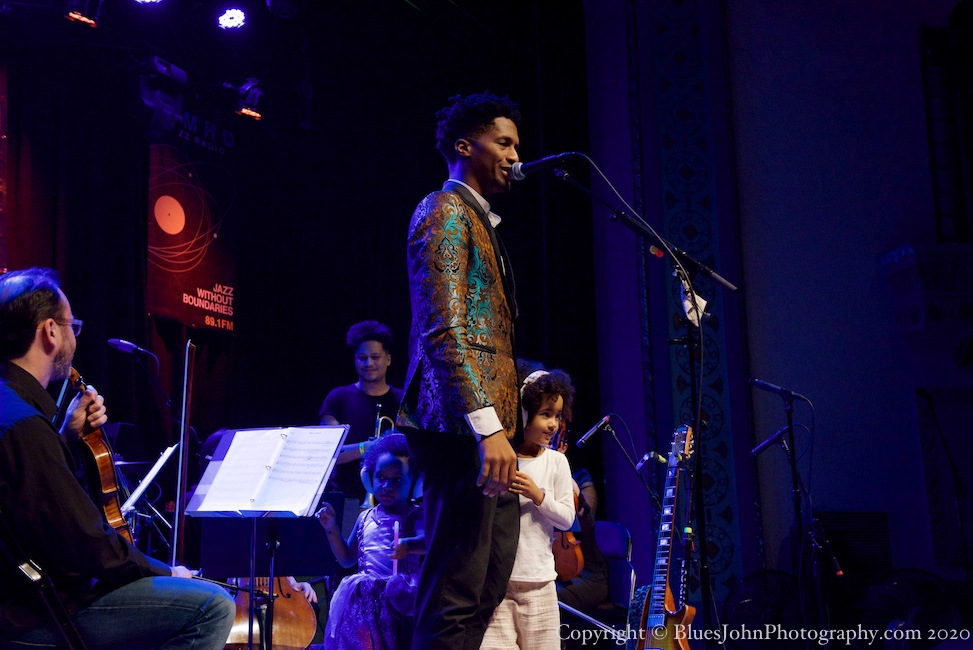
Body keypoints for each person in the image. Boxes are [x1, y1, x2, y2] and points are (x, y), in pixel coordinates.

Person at [0, 267, 235, 649]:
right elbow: (87, 543)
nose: (74, 338)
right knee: (212, 605)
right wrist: (167, 571)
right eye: (71, 325)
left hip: (21, 599)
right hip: (31, 614)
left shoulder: (12, 411)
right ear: (50, 332)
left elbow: (31, 502)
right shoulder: (25, 426)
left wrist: (64, 438)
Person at [396, 91, 523, 650]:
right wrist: (487, 426)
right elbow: (443, 329)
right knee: (455, 592)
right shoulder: (445, 211)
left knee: (486, 584)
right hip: (459, 430)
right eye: (504, 142)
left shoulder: (480, 221)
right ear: (464, 145)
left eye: (517, 144)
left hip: (485, 429)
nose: (516, 155)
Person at [480, 369, 576, 650]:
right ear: (522, 413)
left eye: (557, 416)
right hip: (499, 585)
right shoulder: (500, 459)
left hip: (540, 584)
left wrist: (538, 495)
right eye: (545, 414)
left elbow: (567, 519)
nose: (553, 424)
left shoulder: (557, 462)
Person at [316, 433, 424, 650]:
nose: (387, 486)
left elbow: (429, 542)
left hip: (399, 599)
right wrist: (331, 528)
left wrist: (409, 544)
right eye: (381, 477)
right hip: (363, 603)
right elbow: (346, 559)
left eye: (397, 480)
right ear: (369, 478)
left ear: (414, 483)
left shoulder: (414, 515)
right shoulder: (365, 517)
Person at [320, 320, 404, 504]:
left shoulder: (403, 400)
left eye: (375, 357)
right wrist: (366, 448)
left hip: (395, 500)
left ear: (388, 359)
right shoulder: (338, 398)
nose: (369, 363)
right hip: (345, 497)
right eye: (362, 357)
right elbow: (326, 454)